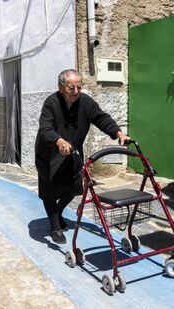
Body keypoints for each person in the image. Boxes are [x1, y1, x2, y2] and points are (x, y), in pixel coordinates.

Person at [35, 69, 130, 244]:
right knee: (50, 192)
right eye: (72, 88)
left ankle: (58, 212)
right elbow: (45, 128)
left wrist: (118, 133)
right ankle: (55, 226)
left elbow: (101, 118)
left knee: (73, 189)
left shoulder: (85, 102)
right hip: (50, 154)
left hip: (73, 153)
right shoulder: (51, 103)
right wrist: (58, 140)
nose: (76, 91)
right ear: (61, 87)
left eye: (80, 87)